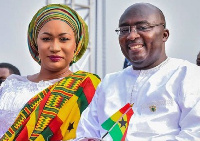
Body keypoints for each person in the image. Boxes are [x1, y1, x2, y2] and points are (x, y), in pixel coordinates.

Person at [75, 3, 200, 141]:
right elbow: (86, 133)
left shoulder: (188, 76)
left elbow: (194, 134)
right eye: (124, 30)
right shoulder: (109, 83)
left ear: (164, 35)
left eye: (142, 27)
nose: (131, 35)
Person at [0, 4, 101, 141]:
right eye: (46, 39)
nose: (55, 47)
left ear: (76, 45)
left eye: (64, 39)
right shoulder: (10, 86)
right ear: (35, 43)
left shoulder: (89, 89)